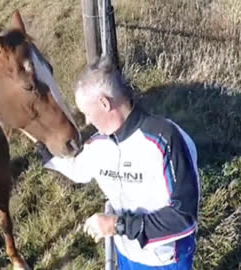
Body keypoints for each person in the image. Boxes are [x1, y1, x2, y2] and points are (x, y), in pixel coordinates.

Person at [35, 57, 200, 269]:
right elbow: (77, 170)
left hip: (166, 259)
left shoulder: (166, 140)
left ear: (104, 103)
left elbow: (183, 216)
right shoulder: (99, 144)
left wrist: (118, 225)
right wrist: (42, 147)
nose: (87, 122)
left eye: (86, 113)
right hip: (125, 254)